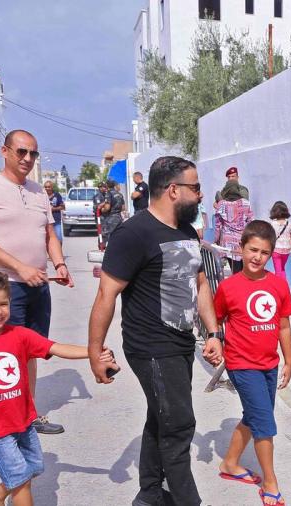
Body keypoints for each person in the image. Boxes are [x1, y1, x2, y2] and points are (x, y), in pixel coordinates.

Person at [87, 156, 223, 506]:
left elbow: (201, 282)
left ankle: (149, 493)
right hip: (149, 346)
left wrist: (213, 333)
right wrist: (95, 351)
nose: (201, 194)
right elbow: (107, 293)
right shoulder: (134, 233)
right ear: (173, 190)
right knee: (178, 425)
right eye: (195, 188)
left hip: (180, 343)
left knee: (160, 415)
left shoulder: (187, 231)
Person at [0, 269, 116, 506]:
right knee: (21, 481)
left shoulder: (20, 335)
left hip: (23, 421)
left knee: (34, 467)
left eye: (3, 304)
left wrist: (93, 352)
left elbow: (56, 347)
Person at [0, 129, 75, 436]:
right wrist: (19, 267)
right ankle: (7, 420)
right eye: (21, 152)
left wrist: (60, 263)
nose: (28, 158)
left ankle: (28, 414)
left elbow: (49, 236)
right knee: (5, 355)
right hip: (4, 287)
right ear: (5, 152)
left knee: (29, 350)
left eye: (33, 153)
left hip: (38, 285)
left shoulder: (40, 192)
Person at [213, 220, 291, 506]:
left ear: (271, 254)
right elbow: (216, 321)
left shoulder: (278, 285)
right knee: (264, 424)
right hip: (241, 365)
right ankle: (270, 483)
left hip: (269, 364)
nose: (257, 257)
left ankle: (230, 463)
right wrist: (216, 344)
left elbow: (283, 325)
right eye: (252, 250)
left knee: (254, 416)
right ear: (241, 248)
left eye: (264, 252)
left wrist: (289, 360)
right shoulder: (228, 287)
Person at [214, 180, 254, 275]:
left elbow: (218, 226)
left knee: (235, 270)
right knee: (244, 268)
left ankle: (238, 287)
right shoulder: (246, 203)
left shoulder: (222, 205)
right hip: (242, 241)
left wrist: (216, 239)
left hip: (228, 243)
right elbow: (251, 222)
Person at [268, 201, 291, 280]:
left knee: (278, 271)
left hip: (276, 250)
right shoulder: (289, 224)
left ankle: (280, 288)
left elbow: (270, 237)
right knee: (282, 269)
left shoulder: (272, 224)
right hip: (286, 250)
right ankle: (283, 286)